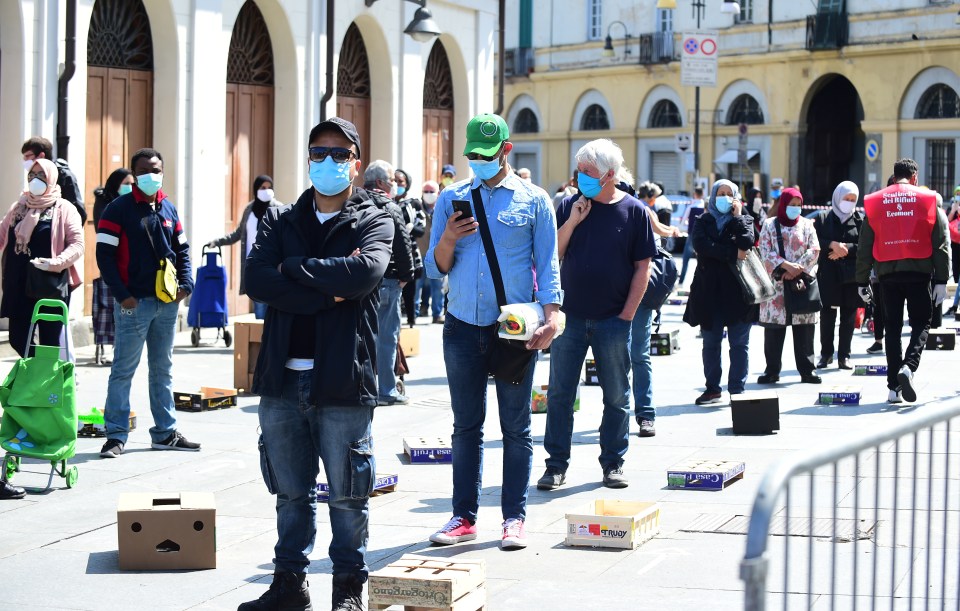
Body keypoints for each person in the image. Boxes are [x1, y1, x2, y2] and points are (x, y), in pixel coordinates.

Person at [240, 117, 394, 611]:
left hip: (343, 377)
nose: (326, 161)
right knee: (290, 493)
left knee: (348, 494)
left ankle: (348, 588)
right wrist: (327, 294)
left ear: (355, 160)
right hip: (283, 378)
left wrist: (294, 270)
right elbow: (258, 279)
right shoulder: (284, 219)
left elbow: (365, 271)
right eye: (317, 152)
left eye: (338, 153)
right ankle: (289, 585)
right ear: (308, 159)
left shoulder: (375, 217)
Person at [424, 113, 561, 550]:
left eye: (486, 155)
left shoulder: (535, 200)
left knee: (516, 427)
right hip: (462, 325)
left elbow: (548, 264)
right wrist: (448, 236)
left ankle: (514, 519)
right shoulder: (451, 198)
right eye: (471, 156)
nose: (477, 162)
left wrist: (553, 316)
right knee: (466, 426)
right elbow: (435, 266)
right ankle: (463, 516)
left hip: (513, 330)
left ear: (505, 150)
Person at [538, 138, 655, 490]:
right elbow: (552, 256)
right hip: (570, 318)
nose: (579, 178)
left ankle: (613, 463)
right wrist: (573, 221)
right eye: (578, 170)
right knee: (559, 394)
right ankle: (556, 465)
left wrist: (626, 315)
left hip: (613, 321)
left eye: (587, 172)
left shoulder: (634, 211)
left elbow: (643, 267)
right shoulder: (569, 205)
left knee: (617, 395)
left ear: (609, 175)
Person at [96, 148, 198, 458]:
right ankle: (115, 435)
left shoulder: (169, 209)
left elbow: (182, 250)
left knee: (162, 369)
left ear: (162, 171)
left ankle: (165, 433)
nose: (151, 175)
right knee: (123, 370)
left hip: (166, 304)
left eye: (155, 169)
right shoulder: (117, 209)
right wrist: (122, 294)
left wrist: (187, 284)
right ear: (134, 173)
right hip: (133, 304)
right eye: (144, 170)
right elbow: (104, 257)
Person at [855, 158, 950, 404]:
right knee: (921, 323)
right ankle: (908, 366)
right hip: (919, 274)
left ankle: (893, 388)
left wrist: (861, 280)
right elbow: (941, 243)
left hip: (887, 275)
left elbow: (865, 244)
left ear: (894, 176)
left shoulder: (876, 202)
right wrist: (941, 279)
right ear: (915, 176)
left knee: (892, 328)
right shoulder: (928, 200)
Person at [683, 179, 757, 404]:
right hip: (709, 293)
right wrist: (732, 253)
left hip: (738, 294)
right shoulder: (703, 220)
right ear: (713, 196)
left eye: (729, 193)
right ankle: (712, 388)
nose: (724, 197)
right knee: (711, 343)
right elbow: (702, 247)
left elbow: (747, 242)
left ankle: (737, 389)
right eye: (720, 193)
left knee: (739, 344)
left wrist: (738, 217)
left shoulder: (743, 220)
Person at [0, 158, 84, 357]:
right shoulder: (19, 207)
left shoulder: (64, 208)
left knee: (50, 341)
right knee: (18, 339)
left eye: (41, 175)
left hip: (48, 284)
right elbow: (2, 235)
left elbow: (77, 244)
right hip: (18, 282)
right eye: (32, 175)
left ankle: (47, 384)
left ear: (52, 178)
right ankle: (38, 370)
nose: (35, 179)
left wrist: (55, 263)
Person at [359, 160, 416, 405]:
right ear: (381, 182)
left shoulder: (354, 203)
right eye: (392, 179)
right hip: (388, 281)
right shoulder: (390, 208)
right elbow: (403, 245)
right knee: (386, 337)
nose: (395, 184)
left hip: (361, 280)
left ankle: (362, 386)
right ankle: (385, 391)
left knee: (361, 335)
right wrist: (407, 275)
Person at [757, 188, 822, 385]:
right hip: (777, 285)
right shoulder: (769, 224)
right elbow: (764, 250)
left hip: (800, 282)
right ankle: (772, 371)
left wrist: (797, 268)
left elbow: (815, 249)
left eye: (798, 205)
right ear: (783, 205)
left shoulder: (807, 225)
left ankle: (807, 371)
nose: (795, 209)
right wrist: (786, 266)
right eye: (791, 205)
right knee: (774, 330)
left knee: (804, 329)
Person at [206, 174, 279, 320]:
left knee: (272, 309)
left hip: (272, 266)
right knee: (259, 309)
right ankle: (261, 341)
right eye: (263, 187)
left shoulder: (279, 208)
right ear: (255, 189)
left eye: (269, 187)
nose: (267, 191)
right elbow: (238, 233)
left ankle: (271, 340)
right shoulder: (249, 209)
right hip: (253, 266)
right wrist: (217, 242)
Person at [813, 181, 864, 371]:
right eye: (846, 198)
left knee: (848, 317)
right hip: (829, 275)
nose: (849, 203)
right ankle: (826, 354)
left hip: (850, 276)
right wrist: (832, 245)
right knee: (827, 316)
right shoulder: (824, 217)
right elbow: (815, 240)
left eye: (853, 200)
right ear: (837, 197)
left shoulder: (860, 220)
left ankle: (844, 356)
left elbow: (865, 246)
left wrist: (845, 249)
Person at [91, 168, 134, 364]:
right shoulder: (105, 202)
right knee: (109, 305)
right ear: (116, 183)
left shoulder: (131, 202)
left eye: (132, 184)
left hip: (129, 262)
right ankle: (107, 347)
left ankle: (121, 346)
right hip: (111, 260)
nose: (130, 187)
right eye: (126, 183)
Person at [21, 137, 86, 225]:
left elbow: (78, 212)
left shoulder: (64, 175)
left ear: (41, 156)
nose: (25, 160)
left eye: (28, 156)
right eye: (31, 175)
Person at [395, 168, 426, 327]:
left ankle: (411, 322)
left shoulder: (414, 203)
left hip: (409, 254)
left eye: (401, 181)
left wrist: (409, 228)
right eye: (394, 181)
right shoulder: (387, 202)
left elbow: (421, 230)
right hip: (390, 255)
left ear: (407, 184)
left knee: (409, 292)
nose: (397, 184)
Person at [416, 180, 445, 323]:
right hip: (419, 252)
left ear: (438, 193)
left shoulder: (442, 208)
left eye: (431, 191)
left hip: (436, 254)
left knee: (437, 286)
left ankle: (437, 314)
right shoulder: (416, 208)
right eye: (426, 191)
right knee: (417, 285)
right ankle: (413, 314)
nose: (428, 195)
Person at [678, 186, 705, 285]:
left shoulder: (690, 206)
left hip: (691, 235)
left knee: (686, 259)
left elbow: (683, 221)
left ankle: (681, 282)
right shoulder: (705, 207)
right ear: (702, 194)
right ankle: (702, 282)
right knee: (702, 261)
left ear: (694, 194)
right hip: (702, 236)